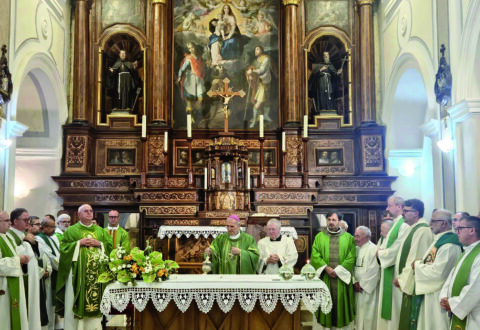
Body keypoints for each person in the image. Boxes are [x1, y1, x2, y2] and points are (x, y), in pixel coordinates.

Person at [56, 204, 112, 330]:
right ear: (79, 214)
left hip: (97, 277)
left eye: (91, 211)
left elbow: (110, 248)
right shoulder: (72, 230)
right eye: (86, 211)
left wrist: (100, 244)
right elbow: (63, 248)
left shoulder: (100, 231)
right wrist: (77, 244)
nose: (89, 213)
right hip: (77, 275)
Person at [412, 209, 462, 330]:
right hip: (431, 293)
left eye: (433, 221)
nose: (430, 224)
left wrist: (418, 265)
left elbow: (438, 273)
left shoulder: (449, 245)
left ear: (444, 223)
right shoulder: (440, 240)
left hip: (439, 296)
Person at [311, 211, 356, 329]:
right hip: (325, 278)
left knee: (340, 305)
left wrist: (338, 271)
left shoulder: (349, 238)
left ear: (339, 221)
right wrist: (326, 268)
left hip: (341, 280)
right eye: (329, 219)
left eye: (334, 220)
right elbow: (315, 255)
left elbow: (351, 256)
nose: (331, 222)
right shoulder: (319, 237)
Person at [394, 199, 434, 330]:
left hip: (415, 283)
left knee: (413, 319)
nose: (403, 214)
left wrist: (402, 279)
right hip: (409, 279)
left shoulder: (422, 230)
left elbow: (415, 259)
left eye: (406, 211)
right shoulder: (412, 229)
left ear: (416, 213)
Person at [440, 216, 480, 329]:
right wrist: (444, 297)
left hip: (474, 315)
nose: (456, 232)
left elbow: (475, 288)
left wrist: (453, 304)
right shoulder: (467, 251)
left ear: (471, 230)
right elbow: (451, 278)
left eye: (459, 229)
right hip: (459, 309)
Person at [376, 196, 410, 330]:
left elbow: (397, 248)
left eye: (389, 206)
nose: (387, 208)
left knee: (395, 307)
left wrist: (380, 253)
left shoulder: (404, 225)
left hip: (396, 270)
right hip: (388, 269)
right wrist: (382, 251)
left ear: (399, 207)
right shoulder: (396, 223)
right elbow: (386, 245)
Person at [0, 210, 29, 330]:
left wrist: (22, 259)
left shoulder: (8, 237)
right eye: (6, 220)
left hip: (14, 283)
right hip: (3, 286)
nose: (10, 223)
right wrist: (18, 260)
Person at [37, 215, 61, 330]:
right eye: (52, 227)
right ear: (45, 227)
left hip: (53, 274)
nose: (54, 229)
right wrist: (62, 265)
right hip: (48, 277)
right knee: (48, 306)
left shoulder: (52, 238)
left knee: (53, 308)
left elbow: (57, 254)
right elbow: (51, 257)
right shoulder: (40, 239)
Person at [27, 216, 51, 329]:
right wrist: (41, 272)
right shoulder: (25, 240)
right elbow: (29, 261)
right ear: (30, 226)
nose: (40, 227)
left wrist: (48, 269)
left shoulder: (37, 240)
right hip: (33, 279)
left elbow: (45, 257)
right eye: (37, 224)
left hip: (41, 278)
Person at [353, 226, 380, 330]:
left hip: (368, 290)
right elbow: (352, 267)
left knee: (368, 316)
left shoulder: (373, 249)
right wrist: (354, 281)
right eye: (355, 235)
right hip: (357, 288)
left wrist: (362, 285)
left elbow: (374, 270)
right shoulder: (355, 249)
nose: (355, 238)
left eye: (358, 236)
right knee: (359, 315)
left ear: (367, 237)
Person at [177, 42, 206, 119]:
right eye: (189, 48)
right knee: (189, 99)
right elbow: (182, 69)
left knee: (200, 98)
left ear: (195, 47)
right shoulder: (188, 59)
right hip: (190, 80)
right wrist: (179, 76)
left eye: (192, 47)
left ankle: (197, 113)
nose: (191, 49)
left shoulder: (199, 57)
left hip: (199, 80)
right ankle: (190, 117)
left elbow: (202, 68)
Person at [246, 46, 274, 127]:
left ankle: (265, 116)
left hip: (265, 81)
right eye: (255, 49)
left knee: (267, 100)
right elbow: (252, 70)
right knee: (259, 102)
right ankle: (255, 120)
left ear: (262, 50)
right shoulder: (255, 61)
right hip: (260, 84)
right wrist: (250, 75)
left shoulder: (266, 59)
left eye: (257, 49)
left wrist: (251, 71)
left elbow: (262, 70)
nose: (256, 51)